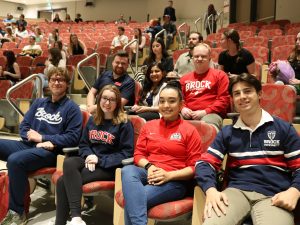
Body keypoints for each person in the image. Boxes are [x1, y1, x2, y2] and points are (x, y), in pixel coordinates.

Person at [195, 73, 300, 225]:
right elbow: (204, 164)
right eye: (237, 93)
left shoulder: (283, 129)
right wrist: (210, 190)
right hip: (236, 193)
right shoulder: (228, 132)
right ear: (232, 100)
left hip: (273, 195)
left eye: (247, 91)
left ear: (259, 94)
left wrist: (294, 190)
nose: (242, 96)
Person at [0, 67, 82, 225]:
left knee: (15, 161)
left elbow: (73, 137)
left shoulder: (72, 109)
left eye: (60, 80)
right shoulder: (39, 102)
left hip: (50, 152)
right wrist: (35, 139)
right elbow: (24, 127)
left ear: (67, 84)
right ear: (48, 83)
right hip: (29, 145)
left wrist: (44, 138)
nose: (56, 82)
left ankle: (17, 212)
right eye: (53, 79)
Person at [122, 81, 203, 225]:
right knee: (128, 170)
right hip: (149, 173)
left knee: (133, 199)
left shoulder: (190, 131)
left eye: (171, 101)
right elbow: (138, 154)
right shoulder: (149, 126)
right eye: (162, 101)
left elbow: (194, 167)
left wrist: (168, 175)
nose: (166, 106)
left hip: (174, 181)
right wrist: (150, 167)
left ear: (181, 105)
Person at [55, 84, 134, 225]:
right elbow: (84, 144)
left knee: (62, 181)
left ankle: (69, 220)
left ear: (118, 102)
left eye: (112, 99)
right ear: (98, 99)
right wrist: (89, 156)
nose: (107, 103)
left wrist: (99, 159)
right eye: (104, 98)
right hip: (91, 161)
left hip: (109, 167)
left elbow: (126, 153)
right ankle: (75, 218)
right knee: (68, 162)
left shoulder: (124, 123)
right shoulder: (93, 119)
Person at [180, 43, 230, 131]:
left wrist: (205, 111)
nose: (199, 59)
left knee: (206, 127)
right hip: (187, 114)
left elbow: (223, 100)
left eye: (203, 56)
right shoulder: (184, 79)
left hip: (211, 114)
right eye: (196, 56)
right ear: (192, 58)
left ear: (209, 59)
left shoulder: (220, 75)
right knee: (170, 120)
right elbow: (180, 99)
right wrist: (183, 108)